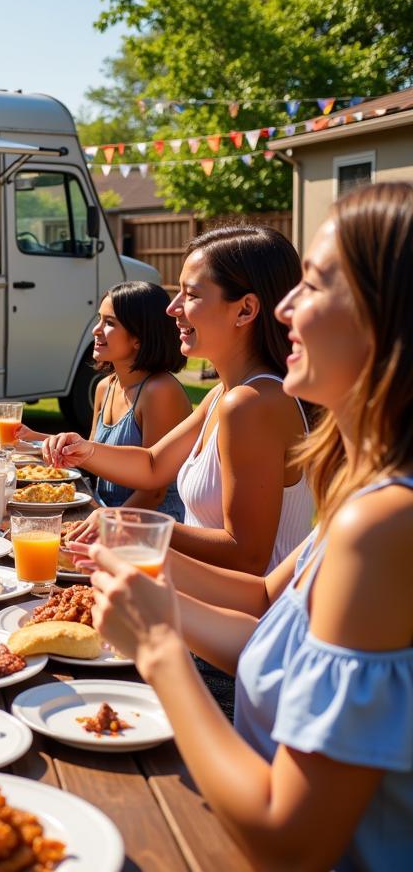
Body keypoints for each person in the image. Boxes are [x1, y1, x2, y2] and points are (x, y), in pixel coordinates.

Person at [87, 183, 413, 871]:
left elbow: (292, 844)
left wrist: (160, 649)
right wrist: (151, 589)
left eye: (316, 285)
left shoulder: (386, 525)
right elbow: (269, 606)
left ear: (388, 320)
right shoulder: (368, 491)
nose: (288, 306)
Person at [46, 226, 313, 577]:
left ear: (245, 310)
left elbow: (246, 556)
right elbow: (154, 464)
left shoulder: (251, 404)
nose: (172, 309)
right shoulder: (224, 393)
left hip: (252, 625)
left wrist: (131, 524)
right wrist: (85, 450)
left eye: (190, 295)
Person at [75, 280, 191, 518]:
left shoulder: (159, 391)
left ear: (138, 336)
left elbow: (154, 492)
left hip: (154, 528)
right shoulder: (105, 386)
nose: (96, 330)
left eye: (109, 323)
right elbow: (89, 456)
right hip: (108, 515)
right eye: (99, 319)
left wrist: (107, 527)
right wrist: (33, 442)